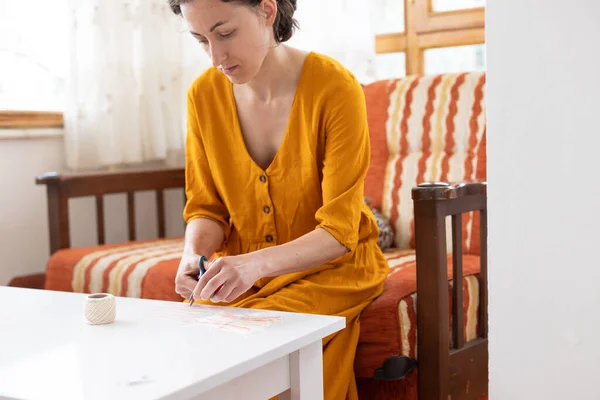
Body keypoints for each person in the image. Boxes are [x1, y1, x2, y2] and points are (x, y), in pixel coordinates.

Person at [169, 0, 389, 398]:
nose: (216, 56)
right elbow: (206, 209)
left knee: (256, 346)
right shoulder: (202, 96)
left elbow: (339, 232)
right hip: (245, 274)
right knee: (202, 349)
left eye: (225, 33)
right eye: (201, 40)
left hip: (333, 269)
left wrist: (253, 266)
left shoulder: (335, 88)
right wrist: (192, 256)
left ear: (267, 10)